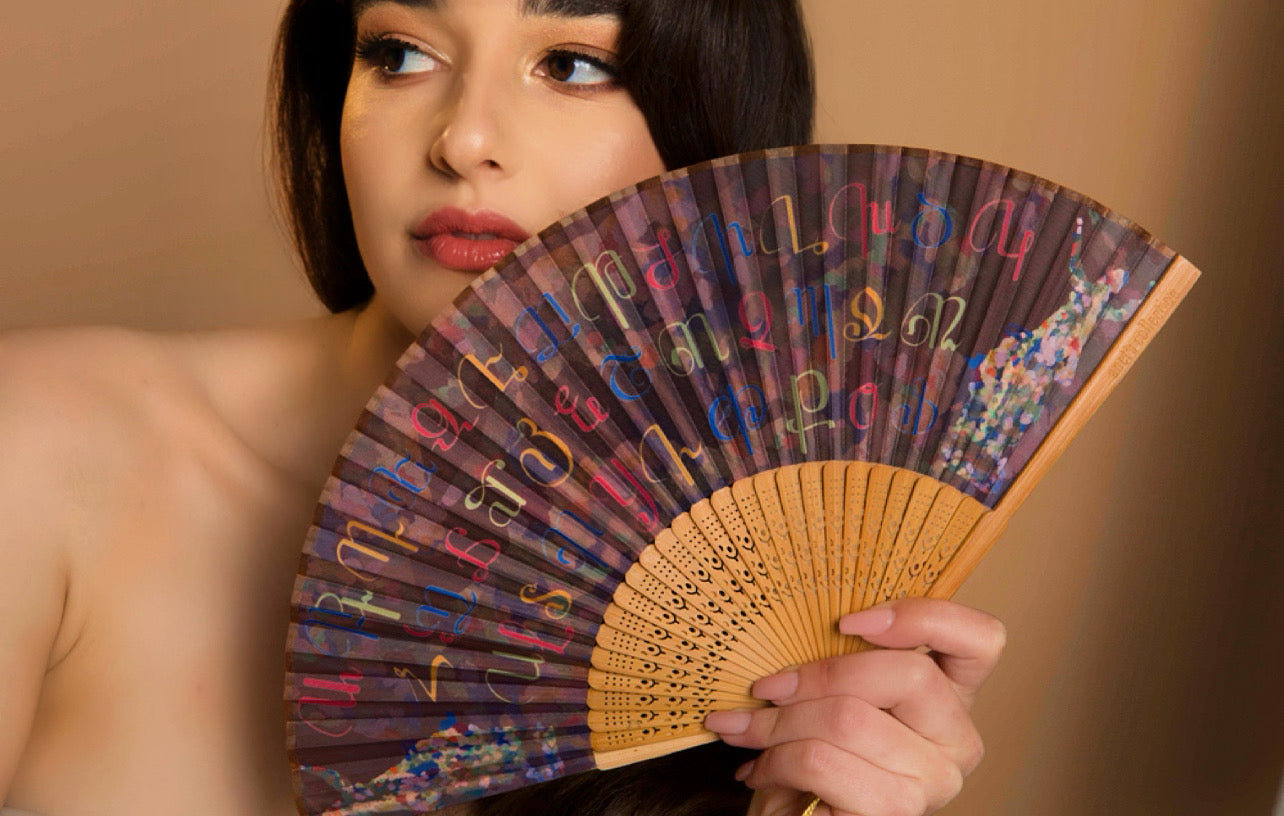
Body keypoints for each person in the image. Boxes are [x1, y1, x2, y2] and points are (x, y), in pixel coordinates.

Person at [0, 0, 1005, 814]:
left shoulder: (775, 612)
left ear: (712, 124)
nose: (464, 139)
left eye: (570, 64)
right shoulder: (43, 447)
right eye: (399, 51)